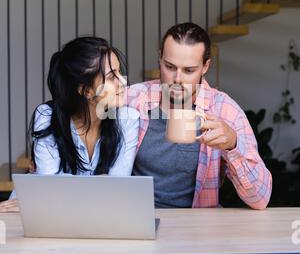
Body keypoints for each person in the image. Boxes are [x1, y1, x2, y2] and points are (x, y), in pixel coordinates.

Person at [128, 22, 272, 209]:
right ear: (160, 58)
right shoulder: (133, 99)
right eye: (170, 67)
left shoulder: (224, 109)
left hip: (197, 226)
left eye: (189, 70)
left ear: (205, 67)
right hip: (138, 219)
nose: (177, 79)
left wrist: (233, 145)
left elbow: (260, 199)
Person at [1, 36, 139, 211]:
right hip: (36, 210)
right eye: (112, 77)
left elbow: (118, 188)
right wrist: (101, 183)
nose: (124, 82)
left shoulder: (127, 119)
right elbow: (48, 186)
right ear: (85, 90)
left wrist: (57, 187)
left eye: (120, 72)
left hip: (80, 211)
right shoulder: (47, 116)